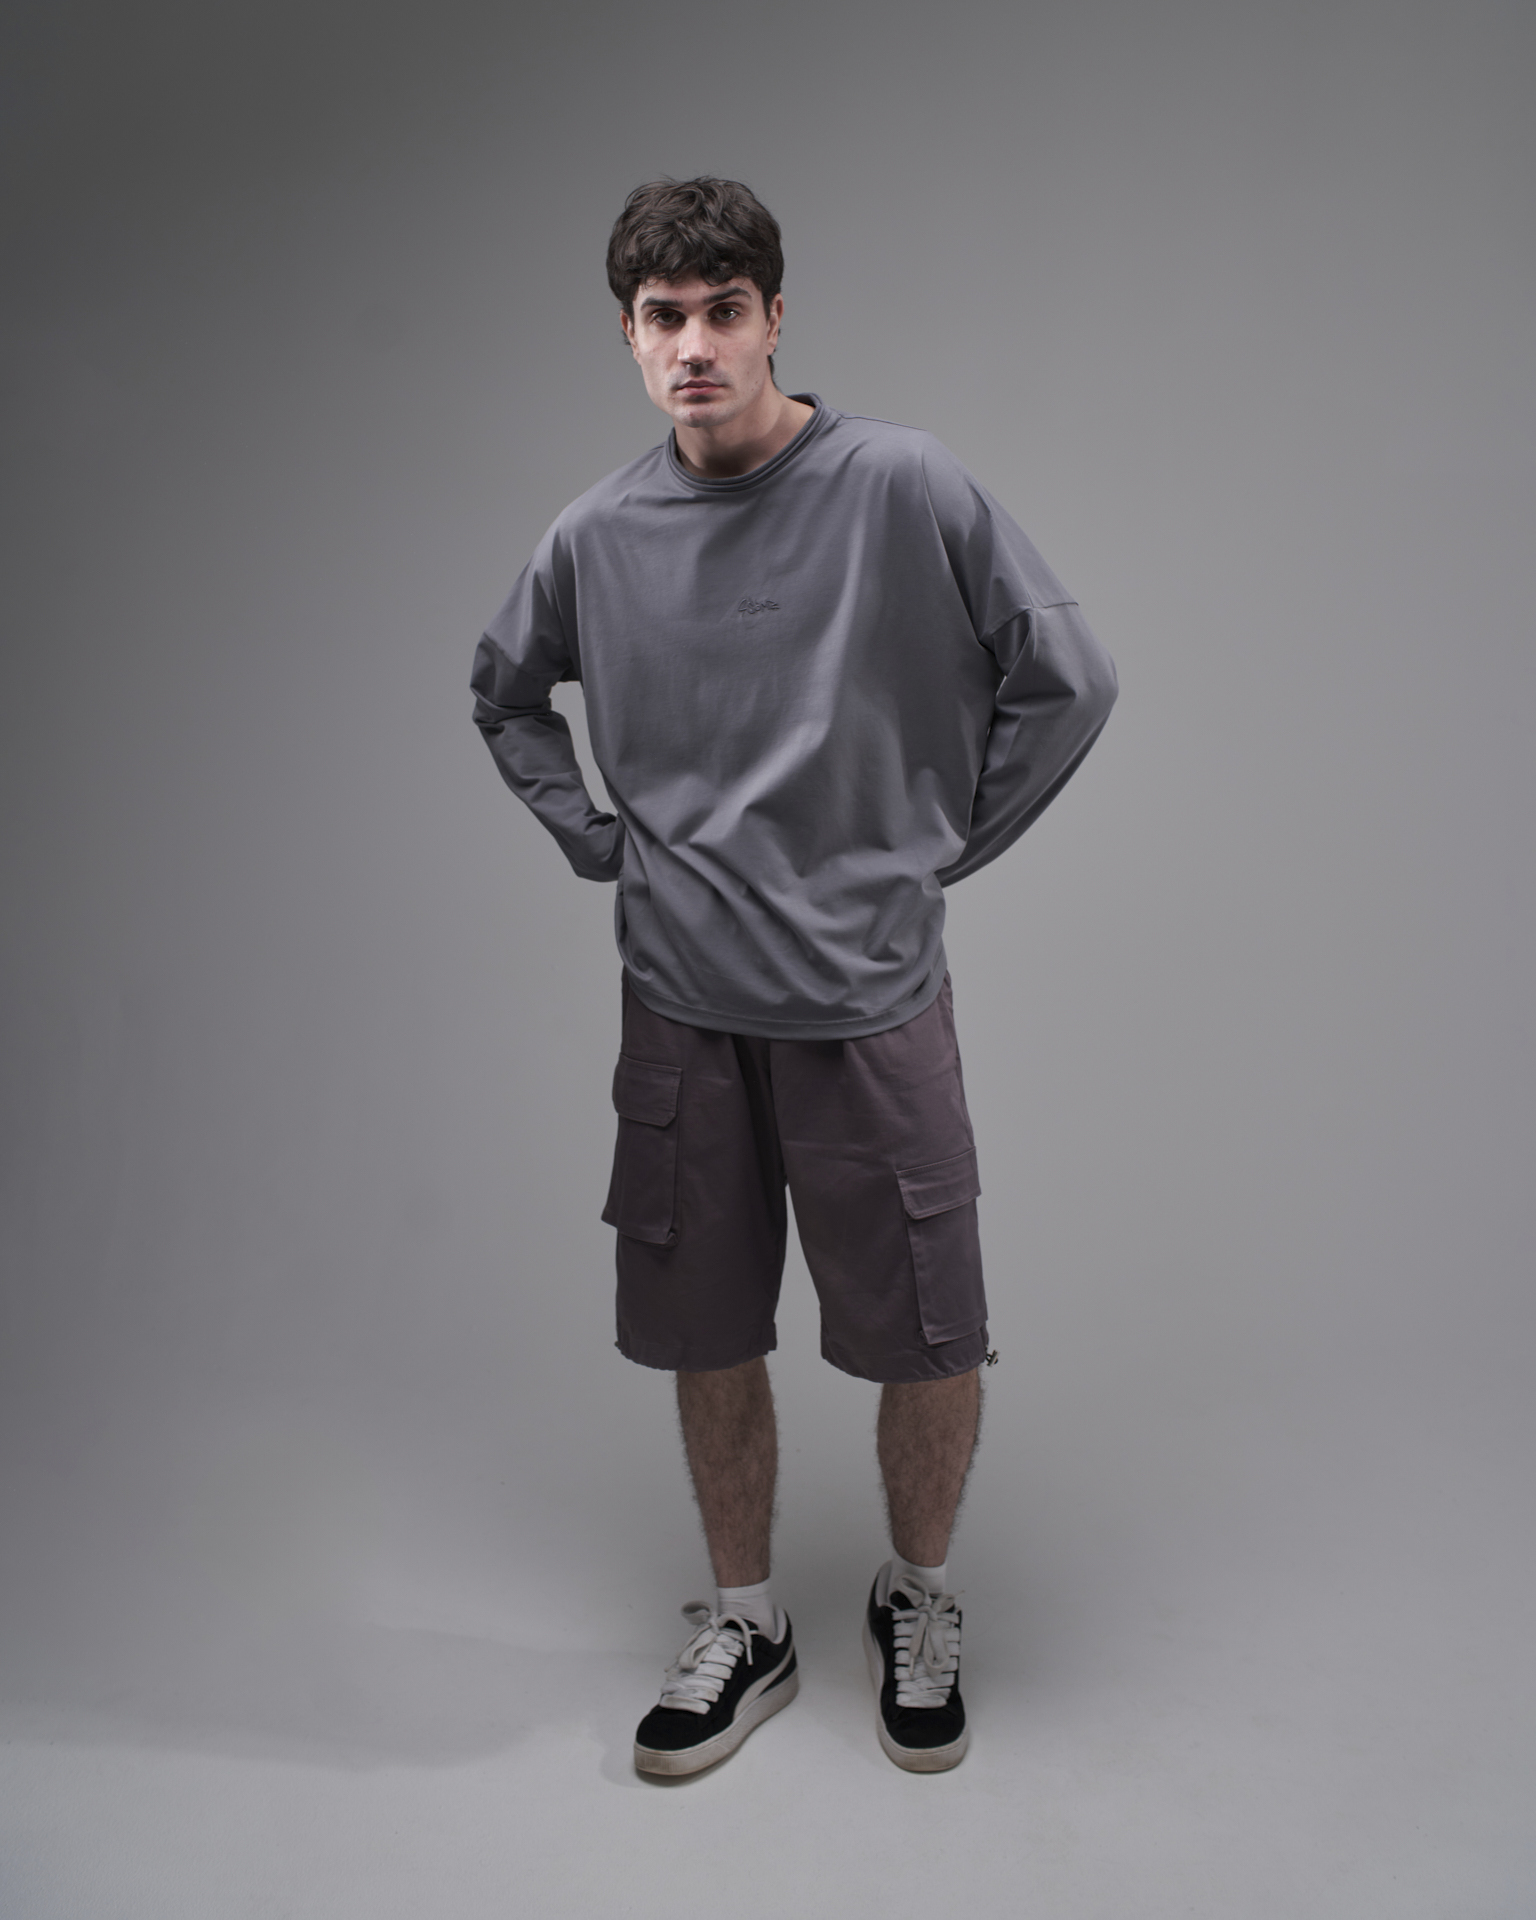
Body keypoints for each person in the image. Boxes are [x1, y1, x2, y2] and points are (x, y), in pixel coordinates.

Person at [471, 177, 1117, 1777]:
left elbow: (1070, 677)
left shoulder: (901, 482)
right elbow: (505, 695)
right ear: (629, 338)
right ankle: (746, 1622)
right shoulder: (596, 534)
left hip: (867, 998)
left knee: (931, 1330)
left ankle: (919, 1596)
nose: (693, 344)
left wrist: (936, 846)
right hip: (680, 1002)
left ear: (774, 318)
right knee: (707, 1325)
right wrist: (597, 841)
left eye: (722, 311)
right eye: (662, 318)